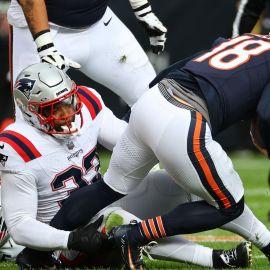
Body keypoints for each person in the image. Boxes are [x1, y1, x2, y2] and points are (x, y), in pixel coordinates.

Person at [46, 33, 270, 269]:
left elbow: (205, 52)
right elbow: (266, 114)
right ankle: (134, 235)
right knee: (228, 205)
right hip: (183, 115)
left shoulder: (254, 40)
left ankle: (38, 249)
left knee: (107, 189)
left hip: (154, 99)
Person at [0, 62, 253, 269]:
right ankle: (215, 260)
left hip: (96, 208)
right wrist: (70, 238)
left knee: (177, 181)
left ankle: (243, 242)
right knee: (117, 221)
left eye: (69, 102)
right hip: (57, 240)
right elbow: (20, 225)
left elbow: (129, 140)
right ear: (31, 112)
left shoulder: (87, 104)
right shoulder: (16, 145)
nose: (67, 113)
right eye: (54, 109)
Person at [7, 0, 167, 121]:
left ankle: (137, 161)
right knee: (31, 118)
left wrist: (144, 12)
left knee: (153, 101)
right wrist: (46, 47)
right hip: (41, 29)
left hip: (100, 22)